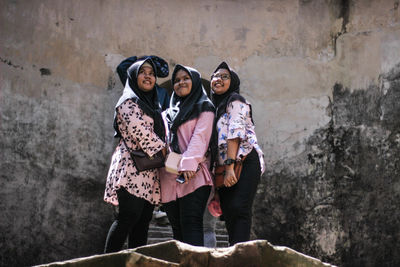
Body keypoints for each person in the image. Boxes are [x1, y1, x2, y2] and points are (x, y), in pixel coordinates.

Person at [103, 58, 166, 253]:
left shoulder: (155, 106)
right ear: (133, 75)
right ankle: (107, 262)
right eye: (143, 72)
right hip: (131, 168)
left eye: (152, 73)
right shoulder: (127, 101)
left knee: (143, 222)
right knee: (128, 217)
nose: (148, 76)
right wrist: (168, 155)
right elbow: (142, 134)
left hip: (149, 172)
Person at [210, 62, 265, 246]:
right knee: (229, 212)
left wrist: (230, 167)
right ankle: (234, 255)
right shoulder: (215, 107)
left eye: (224, 76)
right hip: (226, 167)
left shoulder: (235, 100)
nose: (218, 79)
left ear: (232, 82)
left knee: (239, 209)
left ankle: (239, 258)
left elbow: (235, 133)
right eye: (215, 76)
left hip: (244, 160)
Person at [160, 64, 215, 246]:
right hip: (169, 177)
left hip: (194, 175)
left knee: (191, 224)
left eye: (185, 78)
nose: (180, 82)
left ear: (195, 82)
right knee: (177, 229)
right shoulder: (168, 113)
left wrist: (188, 165)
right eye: (176, 80)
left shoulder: (204, 107)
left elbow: (200, 138)